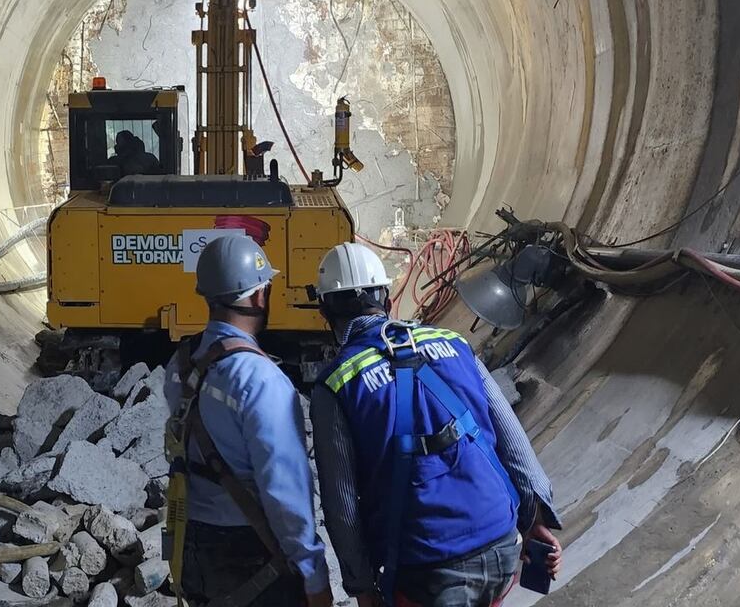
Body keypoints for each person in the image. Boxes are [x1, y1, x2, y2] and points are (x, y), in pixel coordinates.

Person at [308, 243, 563, 607]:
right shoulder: (454, 343)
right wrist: (536, 518)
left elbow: (341, 503)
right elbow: (512, 440)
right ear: (387, 299)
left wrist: (361, 587)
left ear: (325, 312)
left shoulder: (336, 385)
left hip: (430, 567)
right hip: (501, 542)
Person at [164, 234, 333, 607]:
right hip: (249, 553)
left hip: (190, 542)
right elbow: (284, 490)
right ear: (259, 297)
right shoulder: (262, 380)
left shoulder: (181, 363)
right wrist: (313, 575)